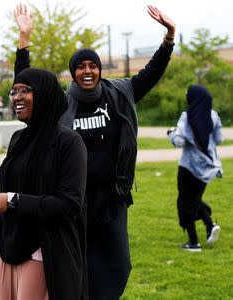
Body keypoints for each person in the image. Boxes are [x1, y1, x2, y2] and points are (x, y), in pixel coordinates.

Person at [13, 4, 176, 299]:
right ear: (73, 72)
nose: (87, 71)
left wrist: (169, 36)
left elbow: (151, 73)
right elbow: (26, 84)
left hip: (113, 199)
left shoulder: (120, 94)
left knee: (118, 264)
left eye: (92, 66)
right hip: (75, 200)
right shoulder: (60, 105)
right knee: (78, 264)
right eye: (80, 66)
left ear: (99, 70)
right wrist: (24, 41)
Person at [0, 68, 88, 300]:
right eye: (13, 91)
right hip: (11, 251)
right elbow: (4, 205)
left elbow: (69, 205)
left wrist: (12, 201)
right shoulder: (19, 138)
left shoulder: (68, 142)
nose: (16, 97)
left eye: (24, 90)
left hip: (45, 255)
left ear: (44, 94)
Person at [167, 85, 223, 252]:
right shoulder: (213, 116)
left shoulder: (187, 116)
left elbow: (179, 141)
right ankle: (210, 224)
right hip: (207, 168)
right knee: (193, 200)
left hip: (188, 167)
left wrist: (172, 132)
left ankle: (193, 243)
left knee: (185, 205)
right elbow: (219, 139)